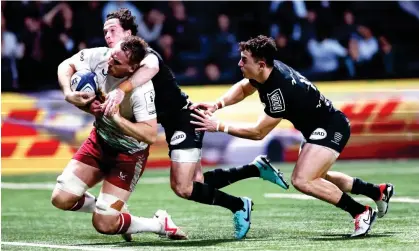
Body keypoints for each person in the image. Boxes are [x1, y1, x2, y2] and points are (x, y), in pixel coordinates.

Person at [98, 9, 290, 240]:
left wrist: (120, 92)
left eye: (113, 30)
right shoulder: (114, 63)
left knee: (183, 187)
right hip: (171, 124)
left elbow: (152, 68)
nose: (108, 36)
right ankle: (255, 169)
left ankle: (239, 205)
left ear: (128, 33)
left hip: (184, 120)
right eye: (105, 31)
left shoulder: (147, 56)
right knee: (197, 183)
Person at [189, 35, 394, 237]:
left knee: (302, 179)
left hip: (331, 127)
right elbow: (244, 88)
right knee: (318, 176)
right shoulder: (267, 71)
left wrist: (219, 126)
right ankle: (377, 191)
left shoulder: (279, 92)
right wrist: (217, 105)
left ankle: (360, 212)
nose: (239, 63)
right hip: (316, 128)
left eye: (244, 60)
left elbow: (258, 132)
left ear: (260, 64)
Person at [51, 36, 187, 241]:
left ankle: (160, 224)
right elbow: (65, 65)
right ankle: (110, 208)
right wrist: (70, 94)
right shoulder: (102, 56)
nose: (109, 62)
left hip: (129, 154)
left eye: (117, 62)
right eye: (112, 56)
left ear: (132, 69)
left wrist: (116, 119)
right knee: (61, 199)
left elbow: (150, 134)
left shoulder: (142, 90)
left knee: (104, 224)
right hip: (100, 142)